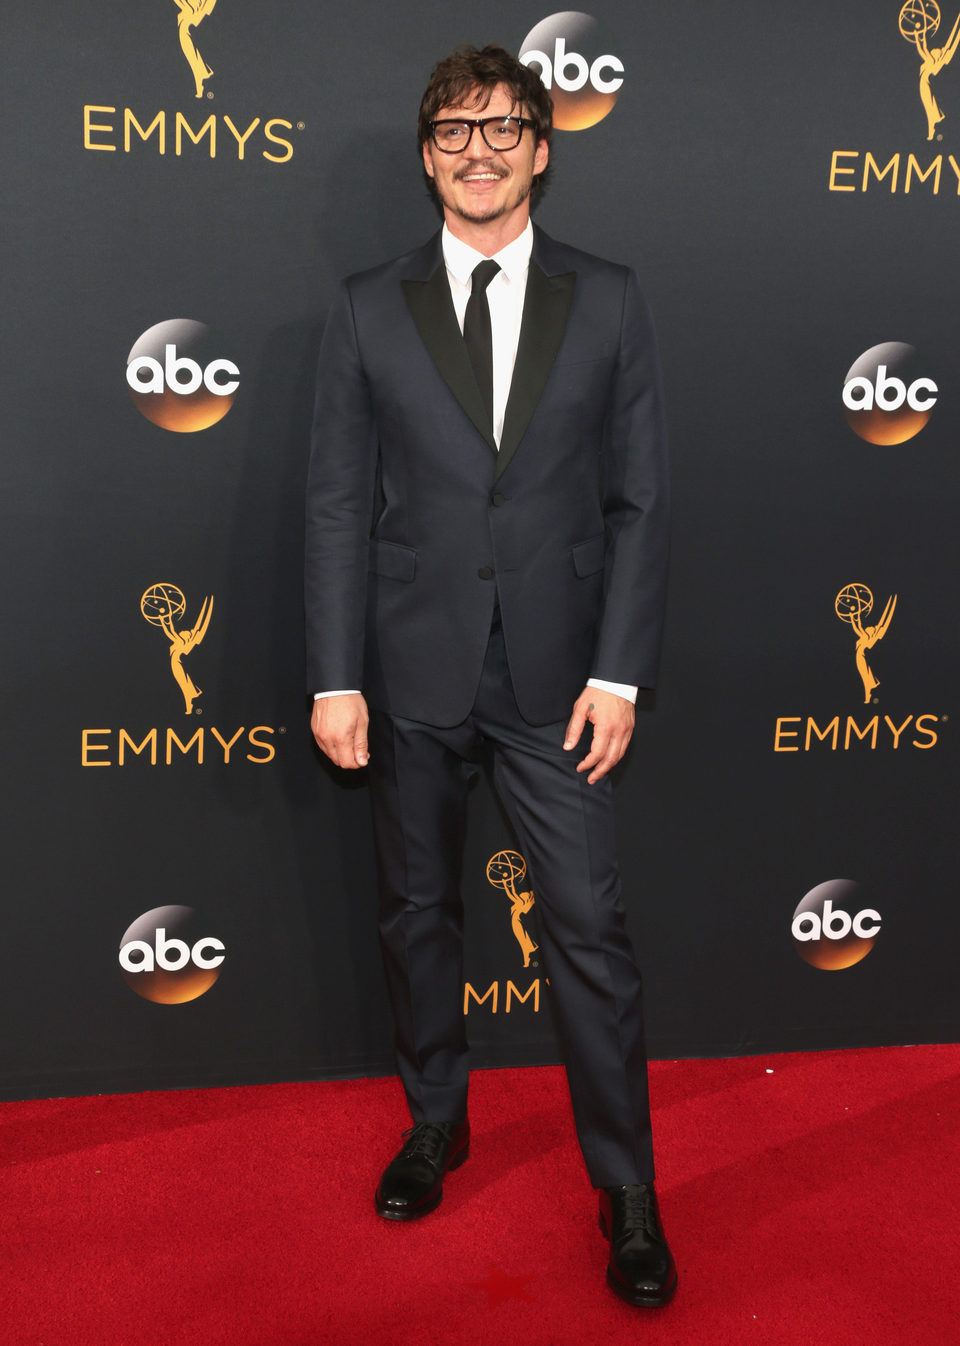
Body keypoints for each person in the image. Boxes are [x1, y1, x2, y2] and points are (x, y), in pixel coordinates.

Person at [305, 44, 674, 1308]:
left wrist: (620, 675)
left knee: (590, 931)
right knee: (417, 915)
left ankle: (627, 1189)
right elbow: (338, 504)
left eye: (503, 125)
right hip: (408, 671)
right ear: (427, 153)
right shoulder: (366, 306)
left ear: (542, 146)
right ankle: (436, 1120)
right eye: (455, 128)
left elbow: (641, 501)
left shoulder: (611, 297)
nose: (479, 147)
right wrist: (331, 675)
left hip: (561, 679)